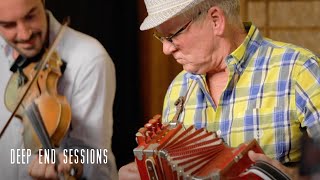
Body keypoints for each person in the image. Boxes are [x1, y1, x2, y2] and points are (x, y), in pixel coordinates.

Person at [119, 0, 320, 179]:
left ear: (216, 20)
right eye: (160, 37)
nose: (166, 49)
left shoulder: (299, 71)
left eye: (172, 35)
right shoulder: (178, 88)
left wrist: (288, 176)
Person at [0, 0, 118, 179]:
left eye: (31, 16)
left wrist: (71, 166)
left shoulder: (89, 59)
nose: (24, 34)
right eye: (8, 25)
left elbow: (96, 158)